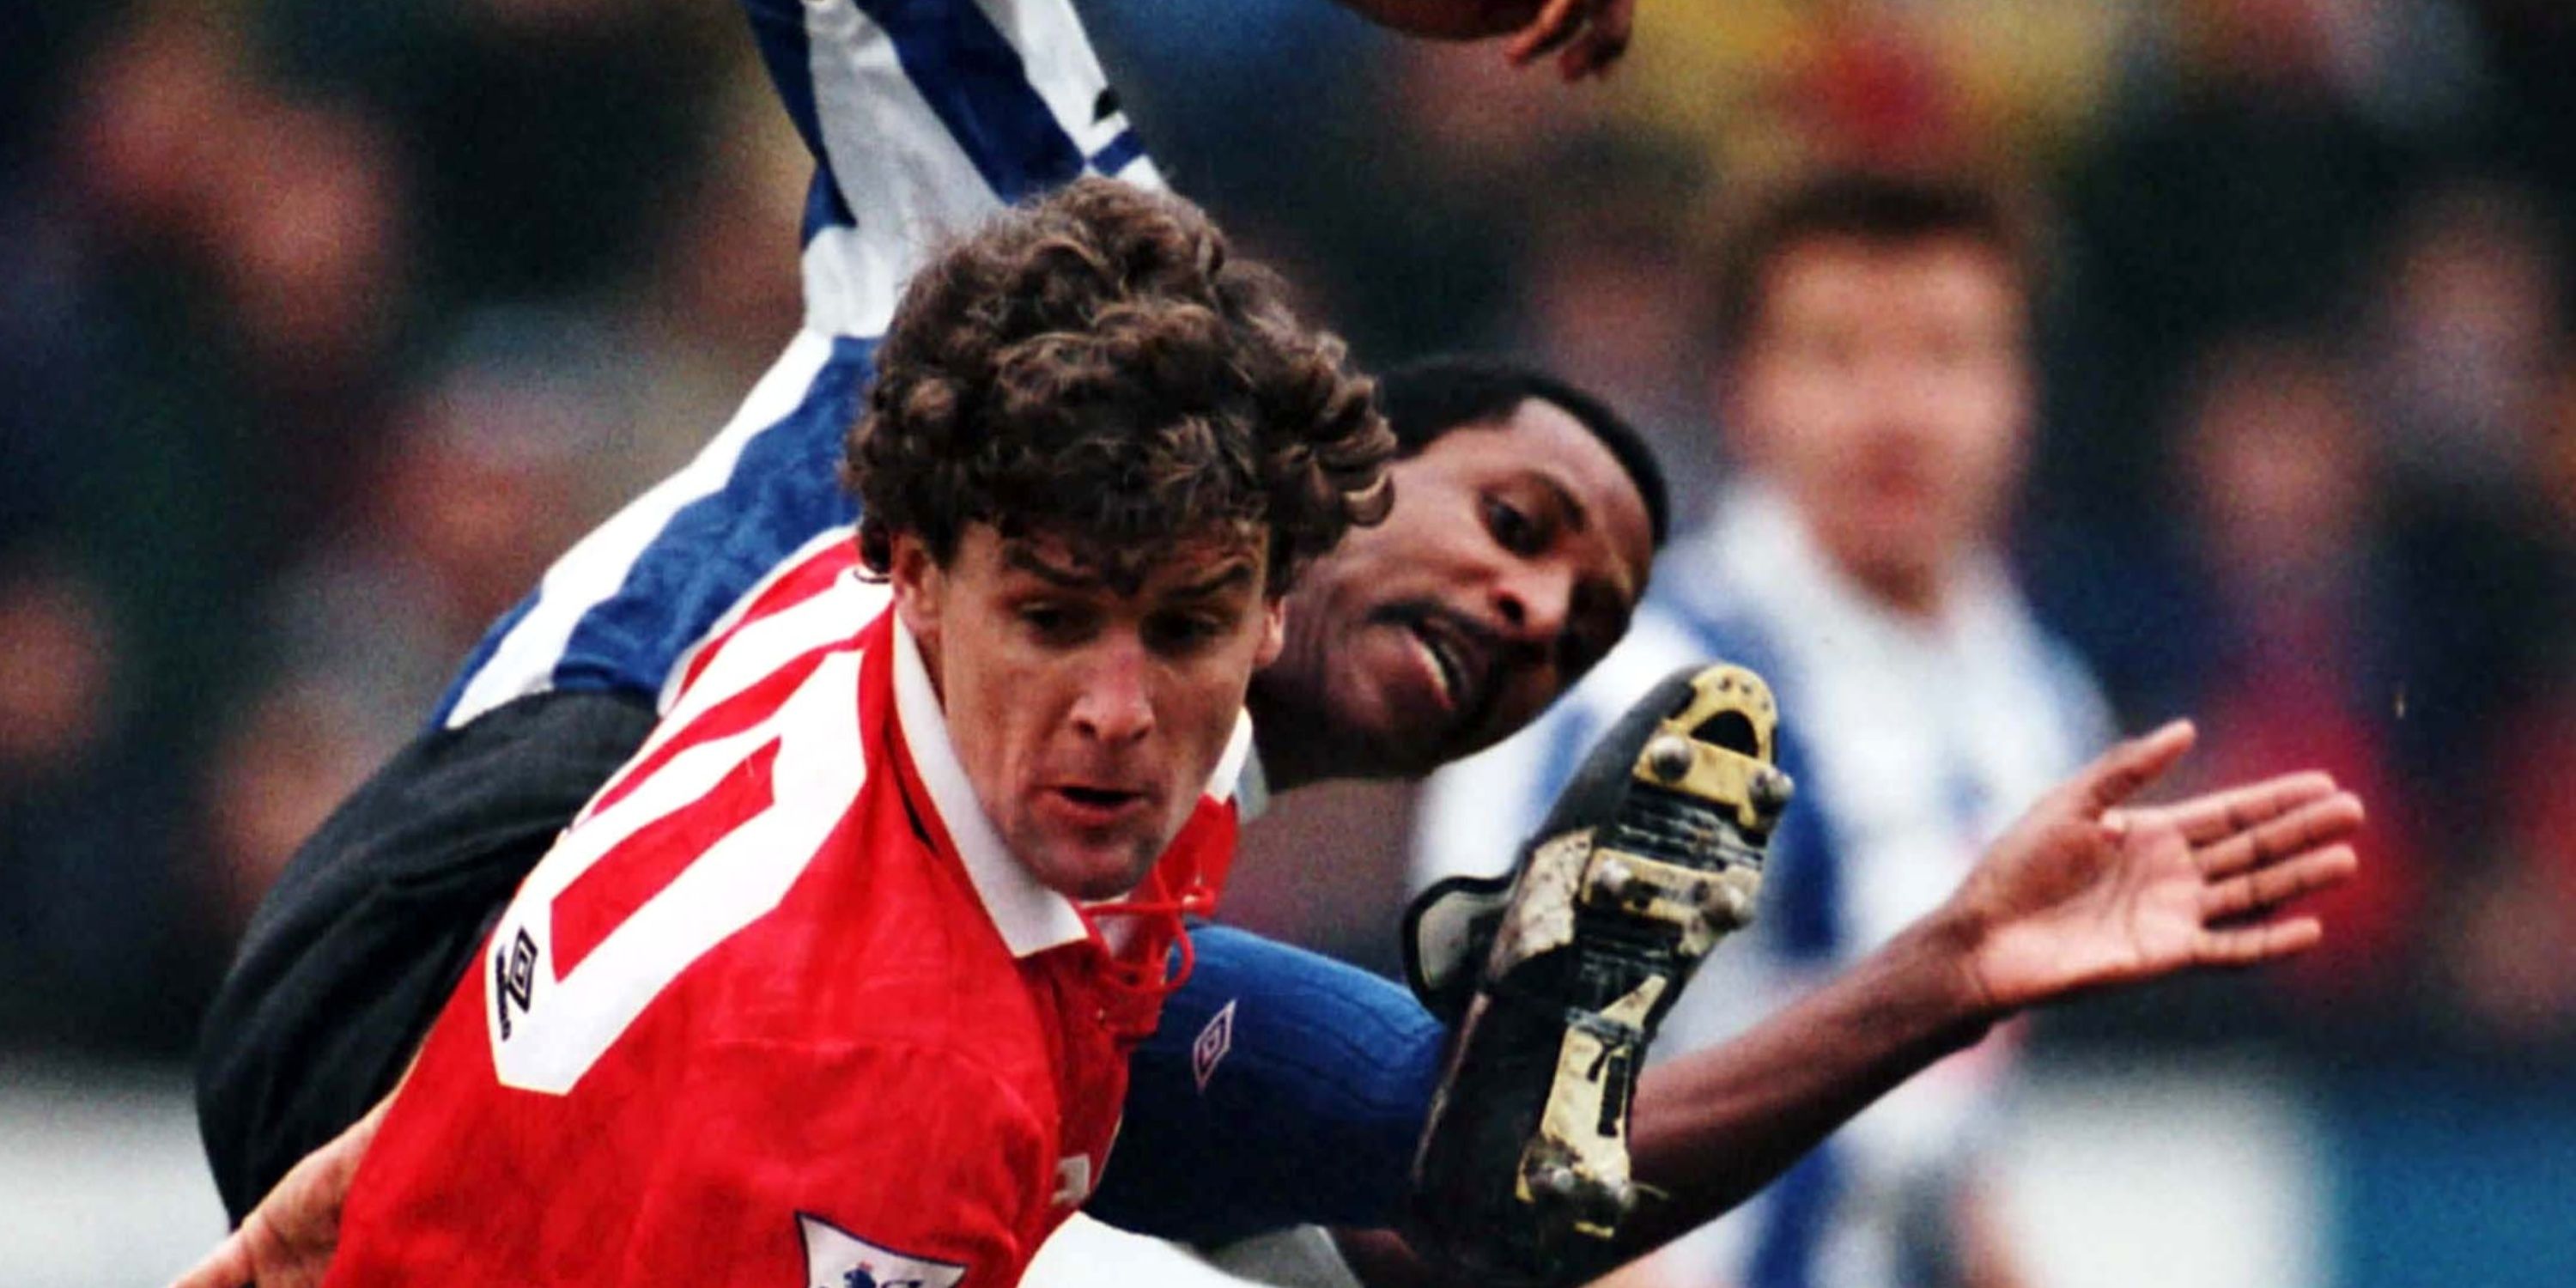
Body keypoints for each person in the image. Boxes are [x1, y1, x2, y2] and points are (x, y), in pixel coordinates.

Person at [317, 177, 1394, 1285]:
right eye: (1052, 621)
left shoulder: (840, 600)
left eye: (1184, 629)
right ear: (920, 573)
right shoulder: (903, 1081)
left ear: (1273, 608)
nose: (1117, 713)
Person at [1412, 168, 2116, 1287]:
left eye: (1946, 354)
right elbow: (1489, 1111)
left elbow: (1941, 1137)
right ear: (1744, 391)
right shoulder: (1638, 690)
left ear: (2022, 392)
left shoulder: (2040, 702)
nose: (1896, 410)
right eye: (1835, 354)